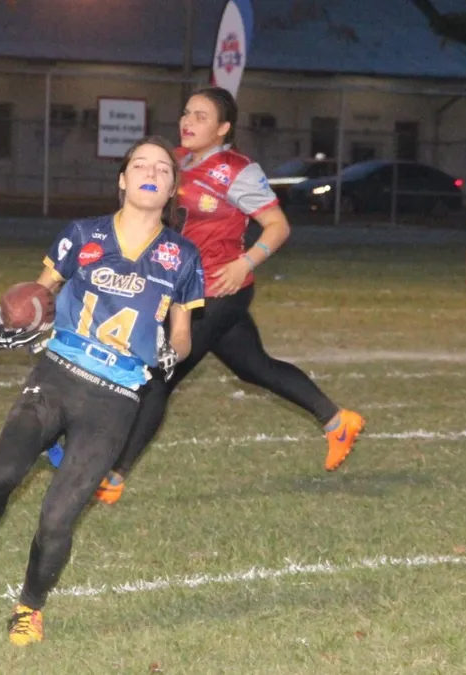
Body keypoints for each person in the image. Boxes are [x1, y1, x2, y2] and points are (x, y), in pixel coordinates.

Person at [0, 136, 204, 646]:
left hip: (115, 397)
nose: (150, 173)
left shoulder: (183, 256)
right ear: (122, 179)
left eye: (162, 169)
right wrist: (18, 322)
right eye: (140, 165)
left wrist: (173, 351)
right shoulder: (83, 233)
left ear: (172, 189)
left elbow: (184, 335)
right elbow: (41, 294)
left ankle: (29, 607)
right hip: (57, 374)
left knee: (58, 518)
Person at [94, 86, 365, 505]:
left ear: (223, 128)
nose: (188, 122)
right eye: (187, 113)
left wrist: (245, 263)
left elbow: (278, 226)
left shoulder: (237, 169)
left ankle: (113, 476)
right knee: (253, 366)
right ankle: (336, 421)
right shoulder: (174, 161)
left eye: (201, 116)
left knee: (160, 376)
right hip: (181, 288)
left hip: (217, 289)